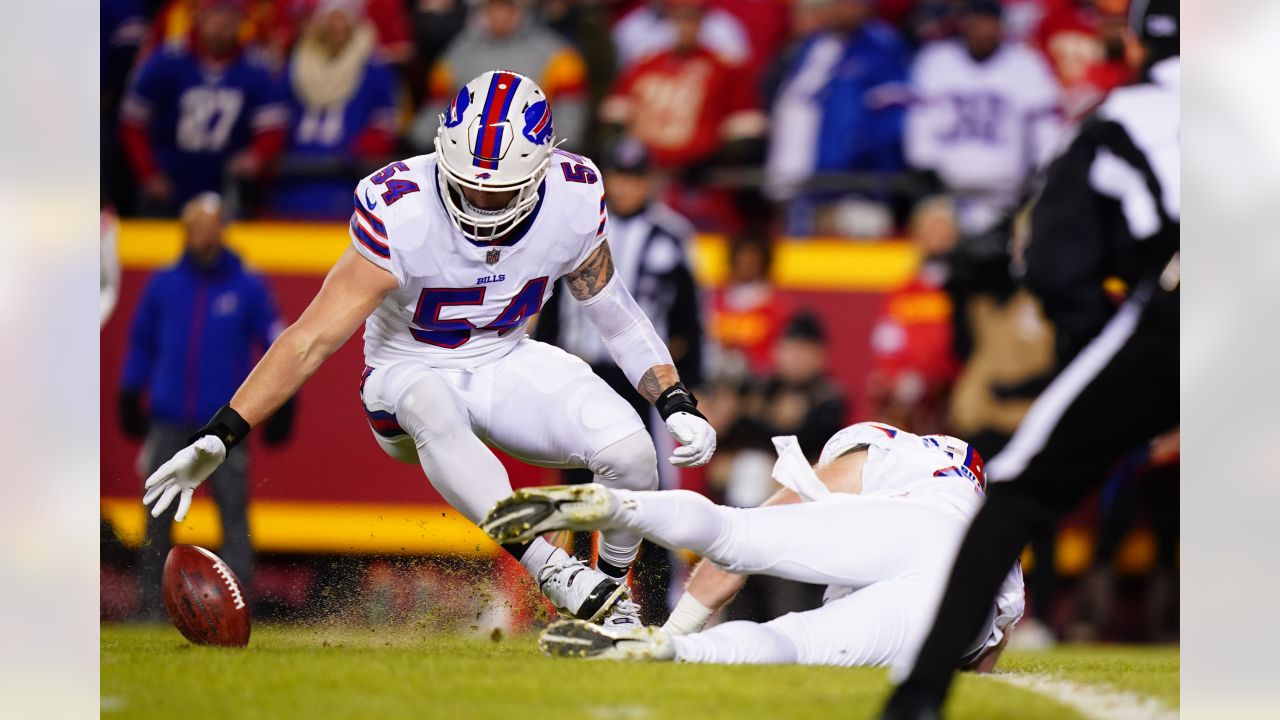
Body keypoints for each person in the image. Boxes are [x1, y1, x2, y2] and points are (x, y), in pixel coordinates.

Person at [140, 71, 718, 629]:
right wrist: (221, 433)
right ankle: (551, 569)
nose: (477, 201)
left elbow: (611, 309)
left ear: (541, 174)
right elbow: (311, 337)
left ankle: (611, 608)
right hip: (404, 370)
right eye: (466, 183)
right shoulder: (402, 206)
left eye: (497, 192)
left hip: (503, 358)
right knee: (429, 403)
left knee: (634, 453)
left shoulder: (575, 193)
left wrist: (674, 399)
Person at [882, 1, 1179, 715]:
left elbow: (1055, 257)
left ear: (1134, 45)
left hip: (1180, 307)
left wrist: (1104, 353)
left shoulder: (1124, 117)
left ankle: (917, 698)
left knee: (1014, 490)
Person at [481, 421, 1023, 669]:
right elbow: (998, 632)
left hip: (911, 532)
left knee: (736, 531)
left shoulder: (878, 456)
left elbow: (736, 557)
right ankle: (670, 653)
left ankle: (619, 507)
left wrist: (677, 617)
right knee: (798, 643)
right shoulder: (976, 504)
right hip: (963, 590)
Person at [535, 136, 704, 624]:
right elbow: (551, 302)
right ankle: (576, 598)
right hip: (579, 368)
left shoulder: (670, 235)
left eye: (636, 176)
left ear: (650, 180)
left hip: (640, 379)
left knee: (644, 490)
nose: (627, 187)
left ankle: (653, 602)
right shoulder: (579, 223)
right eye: (620, 175)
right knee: (577, 489)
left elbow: (690, 317)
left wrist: (689, 385)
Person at [119, 193, 294, 617]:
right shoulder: (164, 284)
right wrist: (130, 390)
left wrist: (286, 401)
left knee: (234, 514)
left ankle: (238, 606)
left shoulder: (247, 285)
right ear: (186, 230)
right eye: (197, 225)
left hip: (224, 427)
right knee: (157, 514)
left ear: (222, 230)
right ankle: (152, 606)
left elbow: (278, 343)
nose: (205, 234)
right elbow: (141, 342)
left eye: (211, 225)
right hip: (170, 418)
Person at [905, 0, 1062, 237]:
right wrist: (925, 168)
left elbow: (1047, 132)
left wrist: (1039, 174)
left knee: (1033, 237)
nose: (983, 30)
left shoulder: (1026, 64)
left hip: (1009, 195)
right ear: (964, 24)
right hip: (948, 195)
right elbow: (919, 127)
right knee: (933, 230)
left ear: (1001, 26)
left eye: (989, 23)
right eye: (976, 22)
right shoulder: (937, 60)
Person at [119, 0, 288, 216]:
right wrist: (149, 173)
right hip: (170, 179)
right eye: (217, 13)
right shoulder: (165, 61)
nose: (223, 21)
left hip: (226, 183)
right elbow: (133, 123)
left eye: (232, 15)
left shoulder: (256, 67)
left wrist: (256, 156)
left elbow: (272, 127)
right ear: (200, 16)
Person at [763, 0, 910, 237]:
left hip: (851, 185)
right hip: (795, 179)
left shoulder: (882, 48)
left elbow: (894, 114)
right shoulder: (811, 46)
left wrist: (859, 154)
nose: (845, 9)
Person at [272, 0, 398, 219]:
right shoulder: (296, 64)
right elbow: (274, 121)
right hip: (292, 176)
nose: (336, 27)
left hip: (345, 180)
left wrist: (355, 156)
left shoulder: (374, 71)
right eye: (331, 19)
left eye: (343, 19)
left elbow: (382, 129)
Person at [411, 0, 589, 152]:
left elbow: (569, 110)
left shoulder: (557, 54)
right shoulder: (458, 54)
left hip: (531, 149)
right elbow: (438, 105)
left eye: (507, 8)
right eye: (493, 8)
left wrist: (557, 148)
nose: (499, 16)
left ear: (522, 10)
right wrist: (418, 140)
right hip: (467, 150)